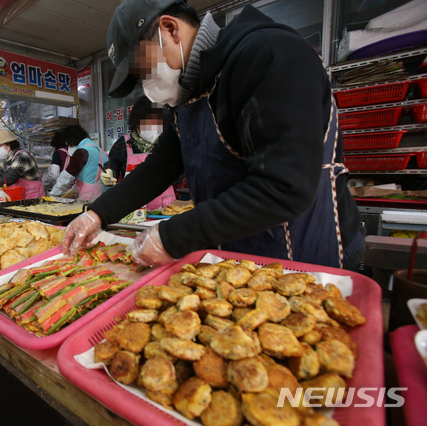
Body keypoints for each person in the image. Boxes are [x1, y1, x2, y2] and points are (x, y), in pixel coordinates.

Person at [63, 0, 364, 271]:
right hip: (237, 255)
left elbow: (284, 186)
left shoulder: (269, 55)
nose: (145, 86)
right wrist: (97, 214)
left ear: (170, 29)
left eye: (142, 71)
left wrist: (173, 237)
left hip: (305, 252)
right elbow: (159, 167)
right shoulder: (189, 95)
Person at [100, 96, 176, 210]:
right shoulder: (122, 144)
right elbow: (113, 164)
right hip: (132, 210)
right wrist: (109, 171)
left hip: (164, 208)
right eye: (148, 122)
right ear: (136, 121)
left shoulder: (166, 143)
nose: (152, 127)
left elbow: (180, 173)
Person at [0, 129, 44, 199]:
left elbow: (11, 176)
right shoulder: (10, 158)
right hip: (22, 195)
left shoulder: (22, 156)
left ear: (8, 144)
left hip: (33, 195)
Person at [49, 125, 109, 202]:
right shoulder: (99, 150)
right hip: (104, 195)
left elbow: (66, 177)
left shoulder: (82, 151)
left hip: (89, 198)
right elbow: (90, 176)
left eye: (68, 143)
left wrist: (53, 195)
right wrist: (73, 189)